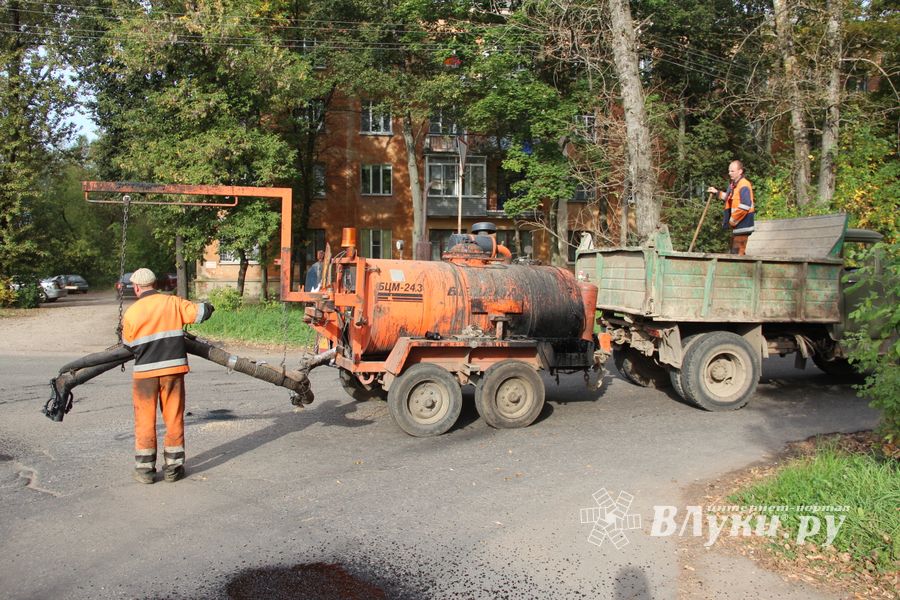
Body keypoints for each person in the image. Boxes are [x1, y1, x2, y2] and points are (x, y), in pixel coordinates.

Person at [121, 268, 215, 484]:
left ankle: (145, 470)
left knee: (144, 420)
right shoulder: (172, 303)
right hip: (173, 371)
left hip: (145, 374)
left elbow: (128, 344)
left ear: (136, 288)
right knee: (173, 418)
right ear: (155, 284)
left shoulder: (132, 313)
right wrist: (209, 306)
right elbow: (200, 313)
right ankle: (173, 468)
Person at [707, 160, 756, 255]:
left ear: (740, 171)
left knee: (737, 253)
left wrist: (733, 220)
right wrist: (717, 192)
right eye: (729, 171)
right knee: (735, 252)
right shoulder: (734, 185)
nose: (729, 173)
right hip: (737, 225)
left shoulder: (744, 185)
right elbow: (729, 198)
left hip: (743, 225)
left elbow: (745, 206)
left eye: (732, 171)